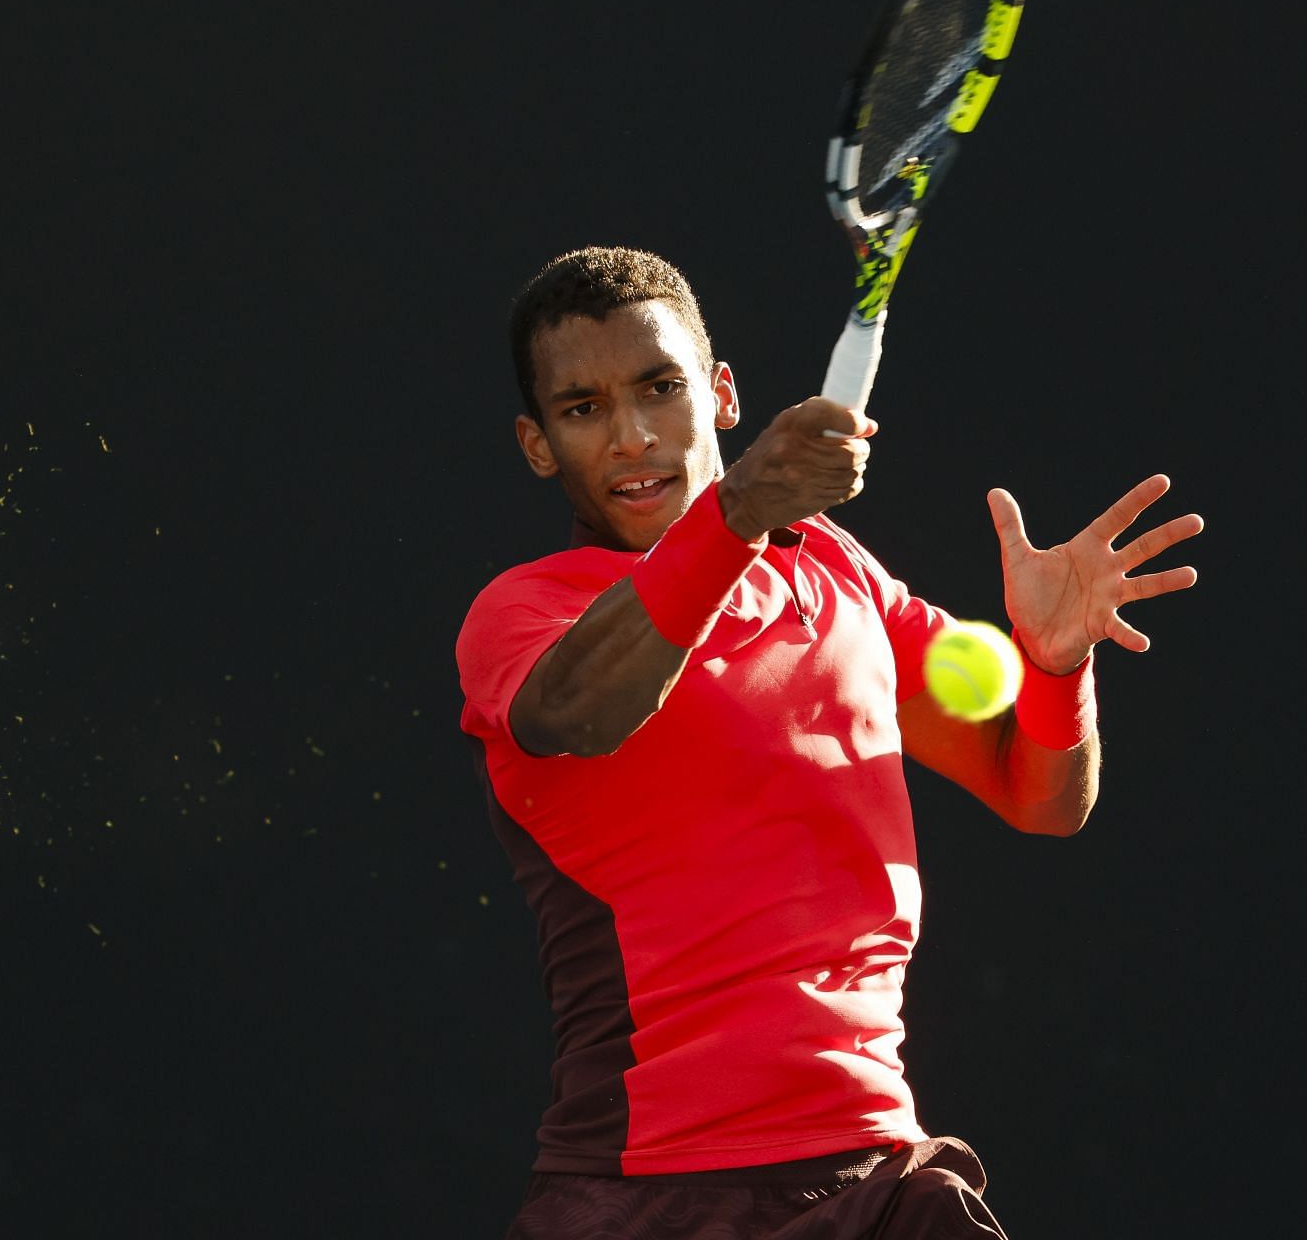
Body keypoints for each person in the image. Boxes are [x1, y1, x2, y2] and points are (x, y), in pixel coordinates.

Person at [456, 246, 1203, 1238]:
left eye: (660, 387)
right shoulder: (522, 614)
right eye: (584, 408)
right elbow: (589, 709)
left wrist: (1057, 665)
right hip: (649, 1197)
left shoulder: (839, 575)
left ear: (721, 394)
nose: (633, 436)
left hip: (878, 1177)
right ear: (538, 442)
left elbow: (1041, 793)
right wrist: (735, 515)